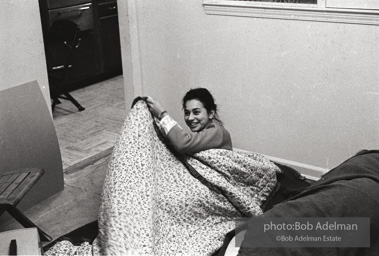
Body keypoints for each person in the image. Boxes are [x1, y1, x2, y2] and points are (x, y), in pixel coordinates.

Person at [146, 88, 232, 154]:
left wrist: (162, 115)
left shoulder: (217, 132)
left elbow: (182, 143)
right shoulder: (205, 132)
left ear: (211, 114)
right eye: (187, 113)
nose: (190, 118)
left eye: (196, 112)